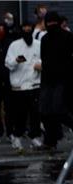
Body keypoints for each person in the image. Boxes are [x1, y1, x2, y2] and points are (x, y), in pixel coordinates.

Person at [5, 21, 42, 150]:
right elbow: (8, 63)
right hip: (19, 86)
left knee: (35, 114)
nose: (27, 29)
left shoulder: (38, 44)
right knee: (20, 114)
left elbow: (43, 59)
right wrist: (16, 60)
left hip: (34, 84)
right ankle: (17, 137)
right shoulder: (14, 45)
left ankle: (35, 137)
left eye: (29, 27)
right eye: (25, 27)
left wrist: (40, 64)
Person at [39, 11, 73, 150]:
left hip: (63, 79)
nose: (51, 25)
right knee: (46, 111)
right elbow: (44, 58)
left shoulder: (68, 37)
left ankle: (52, 140)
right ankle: (50, 141)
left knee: (59, 110)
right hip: (48, 80)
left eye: (54, 22)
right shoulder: (45, 39)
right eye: (49, 22)